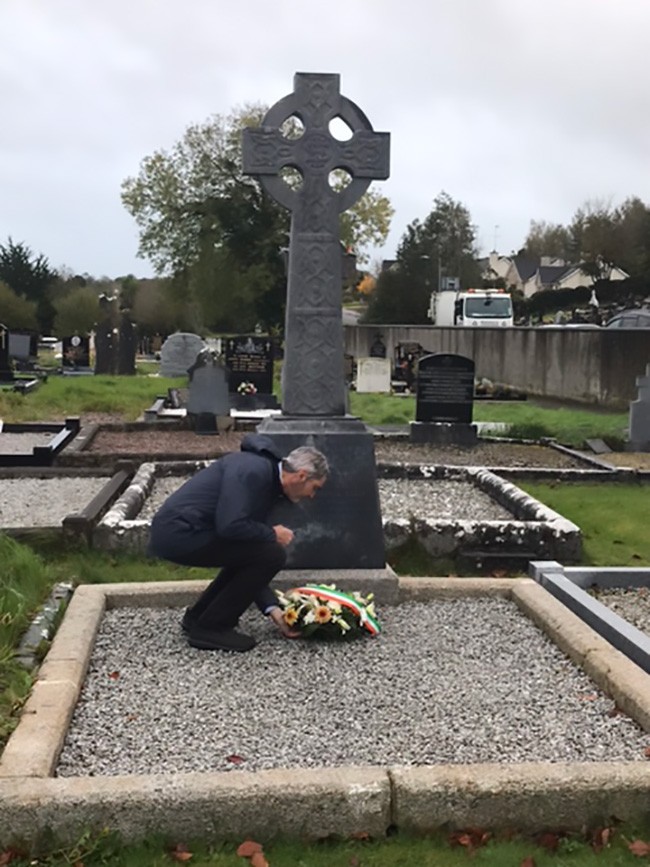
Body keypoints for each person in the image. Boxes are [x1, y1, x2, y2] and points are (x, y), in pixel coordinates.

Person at [148, 434, 328, 652]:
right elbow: (230, 525)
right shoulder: (254, 471)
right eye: (315, 488)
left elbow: (247, 550)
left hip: (183, 531)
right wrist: (272, 533)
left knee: (259, 551)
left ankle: (199, 618)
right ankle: (211, 628)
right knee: (271, 553)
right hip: (180, 533)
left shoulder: (265, 474)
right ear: (301, 476)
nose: (313, 496)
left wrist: (273, 610)